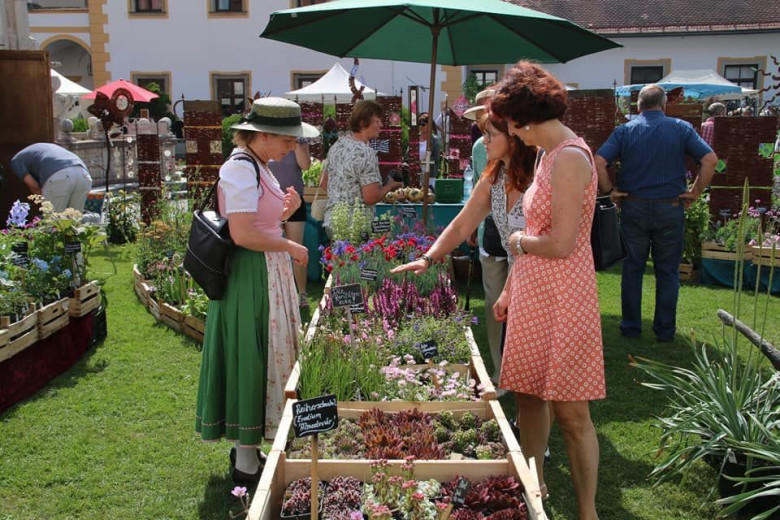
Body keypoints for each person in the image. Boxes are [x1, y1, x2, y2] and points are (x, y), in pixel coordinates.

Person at [490, 60, 605, 519]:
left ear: (528, 118)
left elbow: (560, 243)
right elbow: (539, 229)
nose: (512, 134)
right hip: (535, 291)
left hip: (565, 296)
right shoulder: (545, 154)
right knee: (528, 395)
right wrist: (510, 287)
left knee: (573, 414)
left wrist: (517, 242)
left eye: (513, 124)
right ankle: (532, 492)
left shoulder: (571, 157)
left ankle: (587, 513)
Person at [195, 97, 318, 485]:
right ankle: (245, 462)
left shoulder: (259, 165)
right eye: (287, 140)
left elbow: (259, 223)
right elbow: (243, 234)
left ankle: (247, 451)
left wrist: (285, 213)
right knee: (251, 355)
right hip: (250, 276)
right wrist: (289, 244)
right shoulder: (240, 167)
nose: (291, 148)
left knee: (265, 354)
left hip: (265, 272)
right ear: (263, 135)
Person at [391, 106, 536, 384]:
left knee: (538, 374)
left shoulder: (537, 177)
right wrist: (428, 258)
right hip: (516, 274)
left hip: (542, 278)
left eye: (491, 135)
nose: (484, 142)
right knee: (522, 375)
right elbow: (461, 225)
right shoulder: (493, 176)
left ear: (513, 136)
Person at [595, 84, 717, 343]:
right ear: (664, 104)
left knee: (633, 269)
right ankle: (664, 331)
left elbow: (598, 161)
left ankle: (631, 327)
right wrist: (695, 192)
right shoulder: (681, 128)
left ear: (639, 105)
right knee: (668, 271)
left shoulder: (625, 130)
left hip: (634, 206)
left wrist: (610, 191)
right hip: (670, 207)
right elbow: (710, 160)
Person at [320, 99, 402, 235]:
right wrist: (391, 186)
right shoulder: (366, 153)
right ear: (363, 123)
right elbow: (371, 197)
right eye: (377, 121)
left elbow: (323, 183)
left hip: (332, 221)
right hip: (356, 224)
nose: (381, 125)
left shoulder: (337, 146)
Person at [269, 140, 312, 309]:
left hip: (294, 200)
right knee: (275, 249)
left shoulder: (300, 141)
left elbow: (305, 165)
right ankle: (279, 293)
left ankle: (302, 294)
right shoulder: (269, 139)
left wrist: (296, 144)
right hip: (271, 200)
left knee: (297, 248)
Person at [10, 142, 92, 212]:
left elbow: (34, 186)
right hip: (83, 174)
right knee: (74, 219)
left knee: (53, 221)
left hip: (59, 176)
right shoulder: (42, 149)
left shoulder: (16, 160)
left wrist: (44, 200)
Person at [418, 111, 442, 188]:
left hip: (430, 175)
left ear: (429, 126)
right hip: (417, 174)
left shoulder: (435, 140)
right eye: (419, 124)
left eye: (423, 124)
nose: (420, 126)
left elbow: (436, 158)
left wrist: (423, 161)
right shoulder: (415, 139)